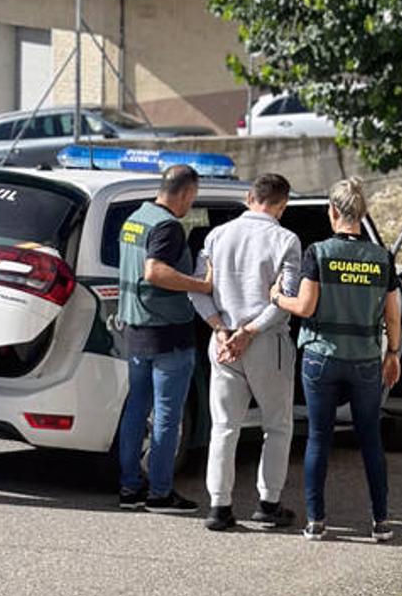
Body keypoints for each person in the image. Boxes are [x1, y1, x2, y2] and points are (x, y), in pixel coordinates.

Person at [274, 177, 401, 542]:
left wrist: (277, 298)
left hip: (321, 358)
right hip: (364, 359)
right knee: (371, 440)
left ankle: (316, 522)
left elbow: (305, 306)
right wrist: (392, 352)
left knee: (318, 438)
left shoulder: (318, 252)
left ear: (332, 212)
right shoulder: (382, 258)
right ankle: (381, 523)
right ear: (362, 213)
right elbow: (392, 315)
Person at [189, 173, 301, 532]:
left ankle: (219, 507)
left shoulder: (216, 236)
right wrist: (249, 331)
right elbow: (288, 300)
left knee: (223, 427)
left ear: (250, 196)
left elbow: (198, 289)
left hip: (222, 340)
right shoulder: (286, 240)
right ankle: (268, 504)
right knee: (278, 425)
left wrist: (221, 328)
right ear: (281, 205)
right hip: (266, 341)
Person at [116, 164, 212, 513]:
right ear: (186, 192)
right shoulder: (168, 227)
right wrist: (201, 285)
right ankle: (160, 492)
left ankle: (129, 489)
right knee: (168, 415)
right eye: (193, 197)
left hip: (135, 329)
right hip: (167, 333)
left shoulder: (135, 218)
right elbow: (154, 271)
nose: (191, 203)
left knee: (136, 410)